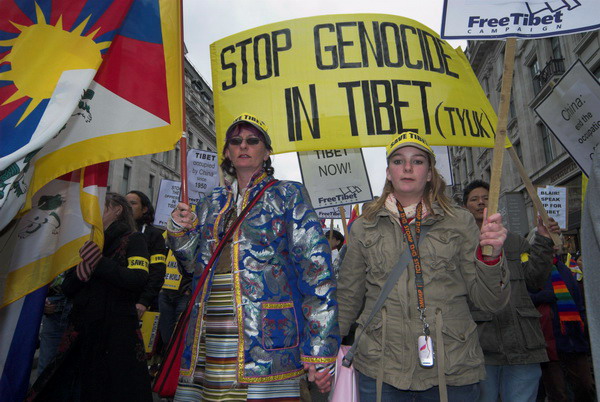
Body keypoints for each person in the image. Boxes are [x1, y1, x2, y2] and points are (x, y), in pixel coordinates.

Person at [168, 113, 339, 401]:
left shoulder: (287, 194)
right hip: (212, 322)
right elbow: (192, 265)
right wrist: (180, 230)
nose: (243, 146)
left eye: (252, 140)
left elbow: (316, 272)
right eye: (235, 141)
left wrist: (319, 347)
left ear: (267, 151)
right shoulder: (211, 202)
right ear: (226, 152)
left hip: (267, 329)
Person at [337, 132, 510, 402]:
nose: (407, 168)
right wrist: (322, 351)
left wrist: (491, 257)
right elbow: (347, 296)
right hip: (381, 366)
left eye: (417, 161)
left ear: (429, 173)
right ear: (388, 172)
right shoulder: (363, 226)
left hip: (452, 367)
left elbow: (490, 302)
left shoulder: (460, 222)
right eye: (398, 161)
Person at [28, 193, 152, 401]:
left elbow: (138, 278)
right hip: (83, 328)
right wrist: (79, 273)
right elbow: (67, 287)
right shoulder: (85, 242)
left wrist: (101, 263)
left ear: (116, 210)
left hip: (116, 333)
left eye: (100, 208)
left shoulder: (134, 239)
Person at [463, 180, 559, 402]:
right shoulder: (459, 245)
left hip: (523, 347)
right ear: (465, 207)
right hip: (480, 349)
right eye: (474, 199)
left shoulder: (515, 241)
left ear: (495, 203)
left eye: (486, 198)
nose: (480, 202)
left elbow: (535, 280)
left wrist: (544, 240)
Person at [531, 251, 595, 401]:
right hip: (549, 340)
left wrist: (583, 323)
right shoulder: (530, 269)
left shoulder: (563, 268)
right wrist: (541, 296)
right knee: (558, 393)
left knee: (586, 385)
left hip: (574, 338)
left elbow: (578, 300)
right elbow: (522, 298)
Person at [126, 190, 167, 319]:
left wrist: (144, 301)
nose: (128, 207)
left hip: (139, 302)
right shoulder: (117, 230)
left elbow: (157, 272)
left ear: (144, 209)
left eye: (133, 203)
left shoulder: (153, 235)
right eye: (125, 203)